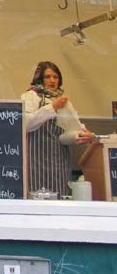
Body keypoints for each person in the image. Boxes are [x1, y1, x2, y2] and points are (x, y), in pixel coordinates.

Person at [22, 60, 94, 198]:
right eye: (48, 77)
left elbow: (73, 126)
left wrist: (84, 135)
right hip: (36, 159)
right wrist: (52, 107)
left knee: (60, 196)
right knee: (38, 195)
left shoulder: (64, 101)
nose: (52, 80)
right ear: (39, 79)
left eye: (55, 77)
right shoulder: (30, 96)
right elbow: (26, 123)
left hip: (59, 160)